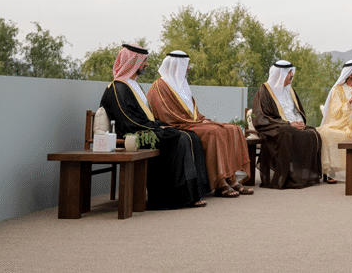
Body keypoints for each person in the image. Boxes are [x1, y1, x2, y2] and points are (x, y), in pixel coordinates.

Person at [99, 44, 210, 209]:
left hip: (146, 130)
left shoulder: (132, 85)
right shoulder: (118, 88)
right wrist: (156, 129)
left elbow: (145, 116)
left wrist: (158, 126)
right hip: (135, 135)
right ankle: (171, 197)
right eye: (144, 61)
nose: (147, 64)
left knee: (191, 136)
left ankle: (193, 193)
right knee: (179, 138)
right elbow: (129, 121)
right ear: (133, 62)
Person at [147, 50, 253, 198]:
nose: (188, 68)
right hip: (178, 125)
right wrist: (192, 121)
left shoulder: (182, 84)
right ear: (176, 65)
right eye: (186, 65)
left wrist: (200, 120)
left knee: (232, 129)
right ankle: (219, 183)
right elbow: (165, 114)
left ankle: (232, 178)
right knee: (213, 133)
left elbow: (193, 111)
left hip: (193, 122)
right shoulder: (158, 87)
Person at [251, 60, 322, 189]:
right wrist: (289, 124)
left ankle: (301, 176)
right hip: (273, 127)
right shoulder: (265, 91)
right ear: (280, 74)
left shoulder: (289, 91)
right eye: (289, 72)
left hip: (290, 125)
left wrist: (299, 122)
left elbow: (296, 111)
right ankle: (286, 178)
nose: (292, 75)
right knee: (287, 133)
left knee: (312, 133)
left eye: (291, 72)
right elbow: (262, 116)